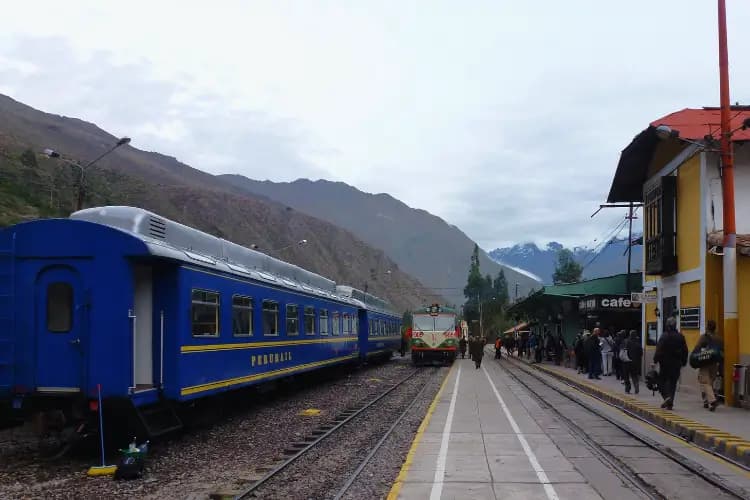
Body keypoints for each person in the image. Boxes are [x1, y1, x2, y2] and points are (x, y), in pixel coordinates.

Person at [653, 316, 689, 410]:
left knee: (661, 381)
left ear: (667, 325)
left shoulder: (664, 336)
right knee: (673, 383)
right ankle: (670, 403)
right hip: (676, 364)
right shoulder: (680, 336)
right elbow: (685, 350)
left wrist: (655, 360)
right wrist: (684, 361)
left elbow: (659, 349)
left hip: (665, 364)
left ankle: (666, 397)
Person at [696, 320, 723, 411]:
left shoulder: (704, 337)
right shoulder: (719, 338)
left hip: (705, 362)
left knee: (704, 382)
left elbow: (698, 348)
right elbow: (722, 350)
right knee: (710, 381)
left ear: (707, 327)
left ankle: (711, 401)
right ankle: (706, 401)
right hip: (714, 362)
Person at [622, 330, 643, 394]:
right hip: (635, 362)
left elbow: (622, 350)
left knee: (626, 376)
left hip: (626, 362)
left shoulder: (626, 341)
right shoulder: (638, 343)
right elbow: (641, 353)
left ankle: (627, 389)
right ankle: (636, 385)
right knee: (634, 375)